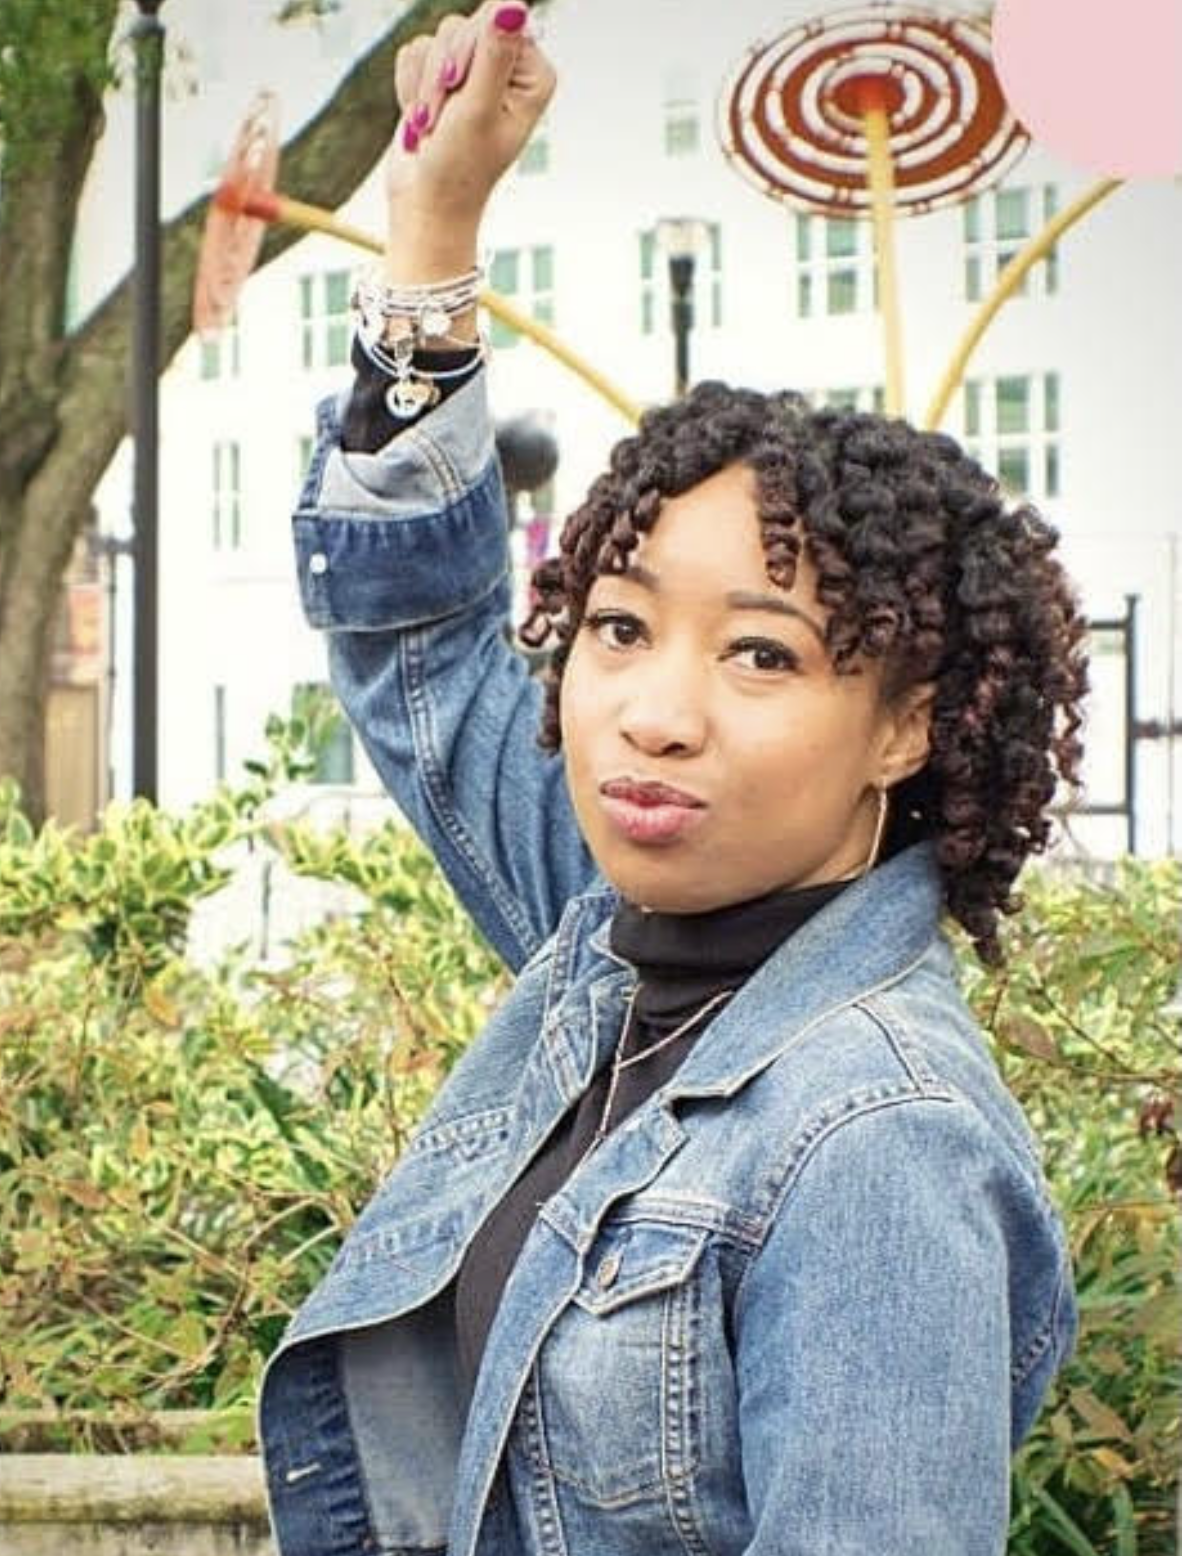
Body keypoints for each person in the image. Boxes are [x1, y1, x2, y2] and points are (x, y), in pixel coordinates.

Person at [257, 5, 1088, 1552]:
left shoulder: (872, 1142)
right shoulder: (622, 943)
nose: (654, 713)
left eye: (760, 656)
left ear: (906, 727)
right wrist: (435, 224)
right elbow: (418, 653)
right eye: (622, 629)